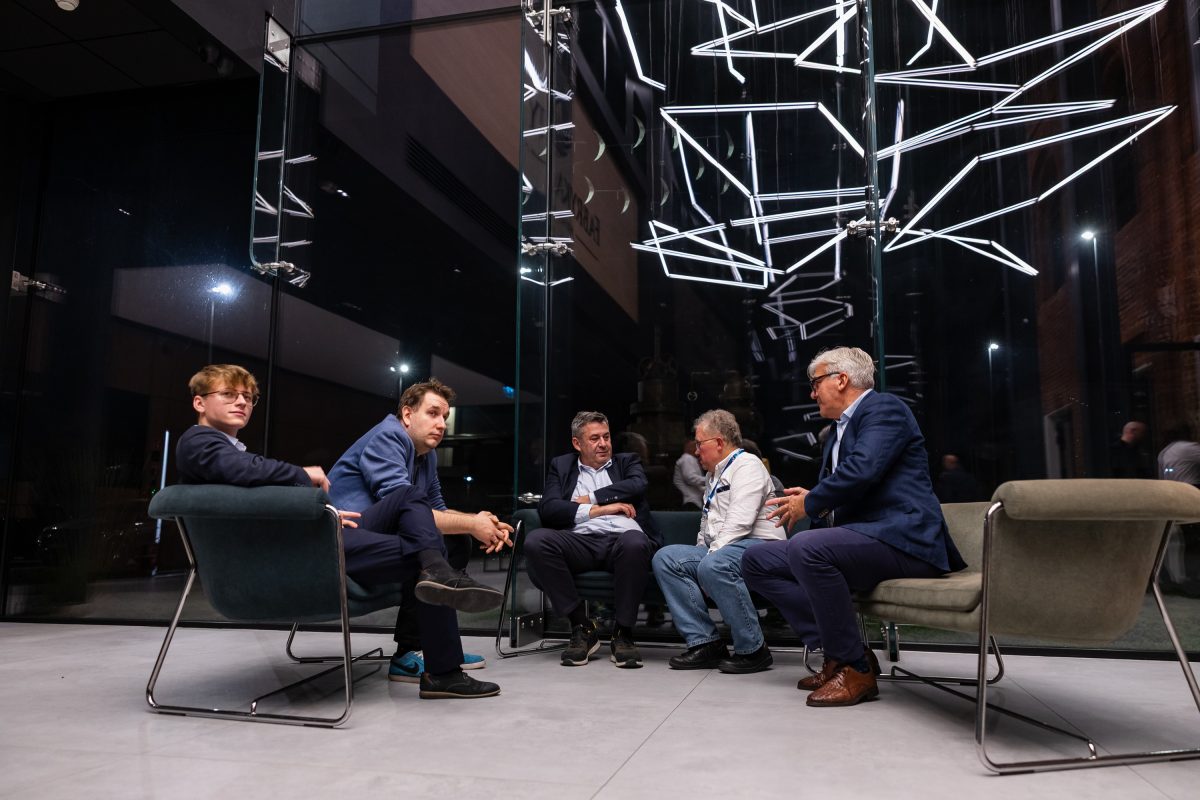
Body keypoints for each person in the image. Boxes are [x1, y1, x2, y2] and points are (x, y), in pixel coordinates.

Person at [174, 364, 501, 699]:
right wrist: (303, 477)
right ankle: (442, 666)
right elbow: (244, 470)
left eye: (248, 397)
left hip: (330, 533)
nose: (242, 402)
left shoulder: (226, 451)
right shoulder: (199, 442)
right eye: (229, 394)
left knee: (419, 523)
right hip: (314, 547)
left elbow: (250, 480)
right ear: (200, 403)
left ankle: (438, 584)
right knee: (426, 544)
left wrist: (317, 508)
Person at [742, 347, 966, 707]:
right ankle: (843, 651)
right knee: (757, 560)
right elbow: (844, 486)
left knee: (807, 547)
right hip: (866, 541)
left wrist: (810, 502)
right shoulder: (836, 433)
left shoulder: (885, 409)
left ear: (841, 380)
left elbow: (863, 470)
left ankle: (854, 669)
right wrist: (812, 501)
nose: (812, 393)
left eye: (816, 383)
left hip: (904, 541)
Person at [328, 378, 512, 682]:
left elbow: (435, 509)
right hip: (345, 534)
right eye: (433, 413)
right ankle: (423, 654)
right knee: (421, 523)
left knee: (454, 543)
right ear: (407, 414)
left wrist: (479, 522)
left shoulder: (426, 455)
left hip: (379, 534)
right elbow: (404, 505)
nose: (441, 424)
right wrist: (471, 523)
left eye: (445, 417)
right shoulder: (389, 436)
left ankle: (423, 649)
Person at [526, 411, 661, 668]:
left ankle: (623, 633)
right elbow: (549, 508)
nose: (603, 444)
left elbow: (637, 485)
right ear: (577, 443)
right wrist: (599, 510)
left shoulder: (626, 462)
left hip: (623, 540)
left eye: (606, 437)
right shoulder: (562, 466)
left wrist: (592, 498)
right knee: (537, 541)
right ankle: (582, 627)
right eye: (595, 438)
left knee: (635, 542)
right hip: (581, 542)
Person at [653, 410, 783, 673]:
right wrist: (701, 554)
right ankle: (706, 644)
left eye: (700, 444)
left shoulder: (747, 465)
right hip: (727, 550)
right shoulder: (713, 474)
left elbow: (740, 523)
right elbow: (707, 525)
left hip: (761, 547)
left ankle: (754, 649)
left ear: (720, 442)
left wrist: (707, 561)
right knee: (666, 558)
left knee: (713, 565)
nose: (696, 451)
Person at [1158, 424, 1200, 596]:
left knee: (1177, 540)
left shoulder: (1164, 453)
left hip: (1172, 496)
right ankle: (1189, 581)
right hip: (1192, 493)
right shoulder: (1189, 448)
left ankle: (1177, 579)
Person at [673, 439, 706, 509]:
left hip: (694, 499)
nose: (697, 448)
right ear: (687, 447)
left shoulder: (691, 459)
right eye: (694, 446)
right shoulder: (687, 458)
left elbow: (695, 484)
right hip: (690, 501)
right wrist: (709, 479)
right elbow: (691, 478)